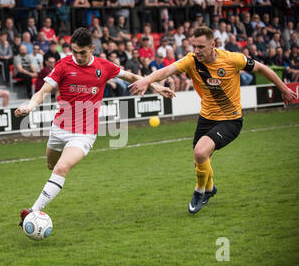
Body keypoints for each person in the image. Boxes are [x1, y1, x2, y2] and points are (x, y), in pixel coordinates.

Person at [15, 27, 175, 226]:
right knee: (51, 165)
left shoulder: (103, 66)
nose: (78, 57)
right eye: (74, 52)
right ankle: (39, 202)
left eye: (82, 52)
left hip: (84, 133)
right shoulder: (63, 65)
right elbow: (43, 91)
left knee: (61, 168)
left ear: (92, 48)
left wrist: (155, 85)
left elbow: (131, 76)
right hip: (59, 128)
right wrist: (29, 106)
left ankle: (32, 211)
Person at [129, 26, 297, 214]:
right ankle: (210, 189)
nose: (196, 51)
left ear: (213, 45)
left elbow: (262, 68)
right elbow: (167, 70)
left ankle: (199, 192)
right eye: (194, 46)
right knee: (199, 161)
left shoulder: (233, 59)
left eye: (201, 47)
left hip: (230, 121)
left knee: (200, 153)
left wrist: (283, 88)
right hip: (206, 118)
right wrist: (146, 81)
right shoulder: (191, 61)